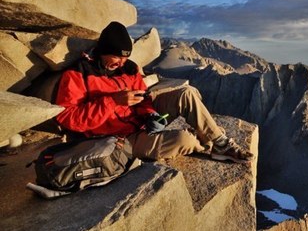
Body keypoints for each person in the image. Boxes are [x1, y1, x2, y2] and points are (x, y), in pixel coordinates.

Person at [55, 21, 253, 164]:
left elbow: (142, 98)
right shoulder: (77, 74)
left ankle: (220, 143)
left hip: (140, 122)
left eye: (125, 58)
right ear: (103, 51)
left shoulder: (129, 69)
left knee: (187, 93)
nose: (121, 63)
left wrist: (149, 113)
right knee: (184, 140)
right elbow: (68, 118)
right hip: (119, 139)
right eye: (117, 57)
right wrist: (113, 101)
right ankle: (204, 140)